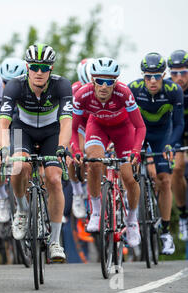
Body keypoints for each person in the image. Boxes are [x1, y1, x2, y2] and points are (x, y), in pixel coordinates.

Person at [0, 43, 72, 262]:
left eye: (44, 67)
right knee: (19, 165)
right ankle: (21, 210)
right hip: (23, 130)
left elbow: (67, 121)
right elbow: (3, 124)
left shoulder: (62, 85)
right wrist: (4, 148)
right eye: (34, 67)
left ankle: (55, 242)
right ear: (27, 67)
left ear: (51, 69)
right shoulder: (14, 85)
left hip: (51, 133)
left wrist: (63, 147)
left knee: (54, 179)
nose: (39, 72)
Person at [71, 57, 146, 248]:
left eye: (109, 82)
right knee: (94, 162)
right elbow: (73, 127)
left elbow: (140, 126)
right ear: (92, 80)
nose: (104, 86)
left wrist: (136, 151)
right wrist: (77, 150)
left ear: (115, 82)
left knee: (129, 177)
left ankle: (131, 220)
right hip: (97, 127)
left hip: (123, 130)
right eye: (100, 81)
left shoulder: (124, 93)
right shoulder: (82, 94)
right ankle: (96, 211)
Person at [129, 52, 184, 254]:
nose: (152, 81)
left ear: (164, 75)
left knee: (164, 179)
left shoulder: (173, 90)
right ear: (143, 76)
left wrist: (171, 144)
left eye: (157, 76)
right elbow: (126, 121)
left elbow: (179, 124)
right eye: (148, 76)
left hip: (163, 135)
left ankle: (165, 232)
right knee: (128, 173)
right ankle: (130, 220)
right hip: (139, 133)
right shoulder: (133, 89)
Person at [0, 57, 27, 223]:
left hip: (19, 124)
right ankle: (2, 196)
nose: (9, 87)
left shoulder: (30, 85)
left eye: (14, 83)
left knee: (24, 158)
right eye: (6, 82)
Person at [70, 58, 94, 219]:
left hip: (99, 123)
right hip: (79, 125)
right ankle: (77, 192)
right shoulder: (73, 90)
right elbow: (71, 123)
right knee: (73, 154)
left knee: (100, 157)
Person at [168, 49, 188, 242]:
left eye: (183, 72)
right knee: (177, 168)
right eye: (174, 73)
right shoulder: (168, 90)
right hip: (177, 132)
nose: (179, 77)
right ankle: (183, 214)